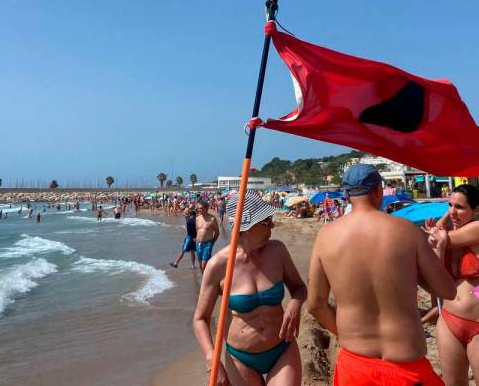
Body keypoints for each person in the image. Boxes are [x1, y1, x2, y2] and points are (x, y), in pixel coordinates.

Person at [307, 164, 456, 386]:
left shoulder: (326, 236)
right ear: (378, 190)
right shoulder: (406, 231)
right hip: (406, 365)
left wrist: (346, 335)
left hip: (355, 363)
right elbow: (447, 291)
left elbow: (316, 305)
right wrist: (438, 251)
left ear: (347, 195)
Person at [193, 190, 306, 386]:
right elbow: (200, 318)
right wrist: (212, 358)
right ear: (244, 226)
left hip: (282, 349)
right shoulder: (218, 265)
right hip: (241, 359)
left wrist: (295, 304)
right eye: (265, 221)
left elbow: (299, 288)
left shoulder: (277, 251)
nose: (272, 225)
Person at [423, 184, 479, 386]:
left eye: (459, 207)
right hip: (449, 320)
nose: (452, 212)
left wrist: (438, 229)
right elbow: (434, 242)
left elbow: (435, 239)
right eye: (449, 205)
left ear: (476, 210)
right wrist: (447, 217)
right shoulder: (450, 234)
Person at [195, 199, 220, 272]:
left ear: (206, 208)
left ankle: (207, 280)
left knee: (204, 265)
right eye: (198, 208)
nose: (199, 210)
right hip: (198, 244)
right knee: (200, 265)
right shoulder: (197, 218)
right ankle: (205, 280)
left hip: (207, 244)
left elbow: (217, 232)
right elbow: (197, 231)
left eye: (201, 208)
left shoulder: (212, 219)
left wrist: (212, 242)